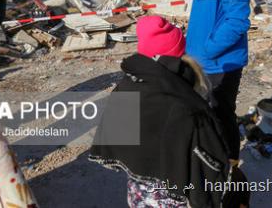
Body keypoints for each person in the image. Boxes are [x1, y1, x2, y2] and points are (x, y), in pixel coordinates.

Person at [90, 16, 235, 208]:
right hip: (173, 198)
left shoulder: (127, 86)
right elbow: (206, 161)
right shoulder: (187, 102)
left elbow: (116, 141)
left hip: (137, 194)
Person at [186, 0, 251, 167]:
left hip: (221, 62)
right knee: (204, 115)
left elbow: (236, 22)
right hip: (200, 60)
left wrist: (208, 50)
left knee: (222, 116)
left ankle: (231, 165)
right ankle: (210, 162)